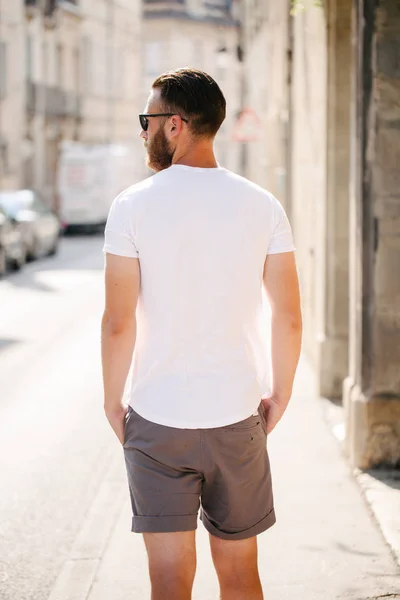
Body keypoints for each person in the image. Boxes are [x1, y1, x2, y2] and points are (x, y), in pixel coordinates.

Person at [101, 67, 302, 600]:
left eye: (149, 120)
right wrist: (280, 394)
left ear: (176, 125)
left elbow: (119, 322)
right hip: (237, 417)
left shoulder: (131, 206)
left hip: (157, 420)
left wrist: (110, 401)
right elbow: (288, 316)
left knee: (168, 582)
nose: (143, 131)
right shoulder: (262, 205)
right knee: (240, 575)